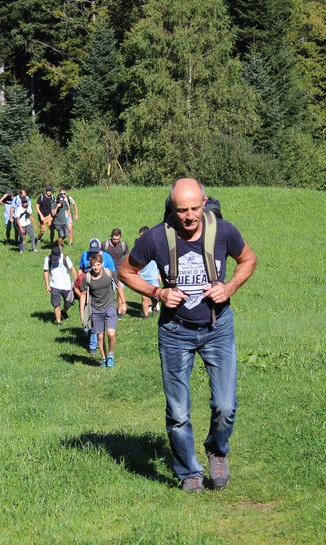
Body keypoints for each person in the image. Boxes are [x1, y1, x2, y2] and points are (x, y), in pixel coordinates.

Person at [118, 178, 257, 493]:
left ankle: (216, 450)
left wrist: (230, 286)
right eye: (182, 210)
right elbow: (126, 271)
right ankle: (188, 472)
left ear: (205, 202)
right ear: (172, 208)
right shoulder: (155, 237)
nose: (190, 216)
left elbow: (249, 259)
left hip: (217, 327)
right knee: (178, 412)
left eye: (195, 208)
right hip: (175, 332)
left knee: (226, 405)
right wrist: (157, 292)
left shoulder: (224, 231)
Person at [79, 253, 127, 367]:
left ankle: (111, 355)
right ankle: (104, 359)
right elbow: (83, 294)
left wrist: (124, 303)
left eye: (98, 264)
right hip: (96, 310)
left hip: (110, 306)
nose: (96, 267)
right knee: (100, 337)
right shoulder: (88, 277)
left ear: (102, 264)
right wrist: (82, 312)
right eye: (93, 265)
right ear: (91, 266)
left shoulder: (109, 273)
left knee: (111, 334)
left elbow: (119, 286)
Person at [77, 238, 116, 355]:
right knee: (93, 320)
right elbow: (80, 269)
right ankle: (93, 345)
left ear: (100, 249)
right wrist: (80, 280)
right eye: (92, 250)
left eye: (96, 250)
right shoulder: (85, 255)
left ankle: (96, 343)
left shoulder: (107, 257)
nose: (93, 253)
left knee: (101, 322)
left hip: (104, 291)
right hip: (89, 288)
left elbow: (112, 273)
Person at [43, 245, 77, 326]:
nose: (55, 258)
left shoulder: (65, 258)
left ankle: (64, 312)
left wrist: (76, 282)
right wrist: (47, 285)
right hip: (55, 285)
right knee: (56, 304)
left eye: (57, 256)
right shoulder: (48, 259)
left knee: (69, 302)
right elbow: (46, 271)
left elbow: (73, 269)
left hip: (67, 285)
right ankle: (58, 322)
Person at [103, 228, 130, 319]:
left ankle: (119, 312)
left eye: (117, 239)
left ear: (120, 237)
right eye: (114, 239)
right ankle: (106, 310)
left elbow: (127, 258)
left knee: (119, 291)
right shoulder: (105, 245)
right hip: (108, 272)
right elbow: (100, 256)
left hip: (119, 273)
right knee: (108, 292)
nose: (116, 241)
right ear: (111, 237)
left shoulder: (123, 245)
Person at [137, 226, 161, 319]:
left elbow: (160, 260)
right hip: (143, 276)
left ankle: (154, 307)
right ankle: (146, 316)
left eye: (142, 236)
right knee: (144, 297)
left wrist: (159, 274)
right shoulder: (138, 246)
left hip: (153, 276)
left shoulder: (155, 246)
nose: (140, 238)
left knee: (154, 297)